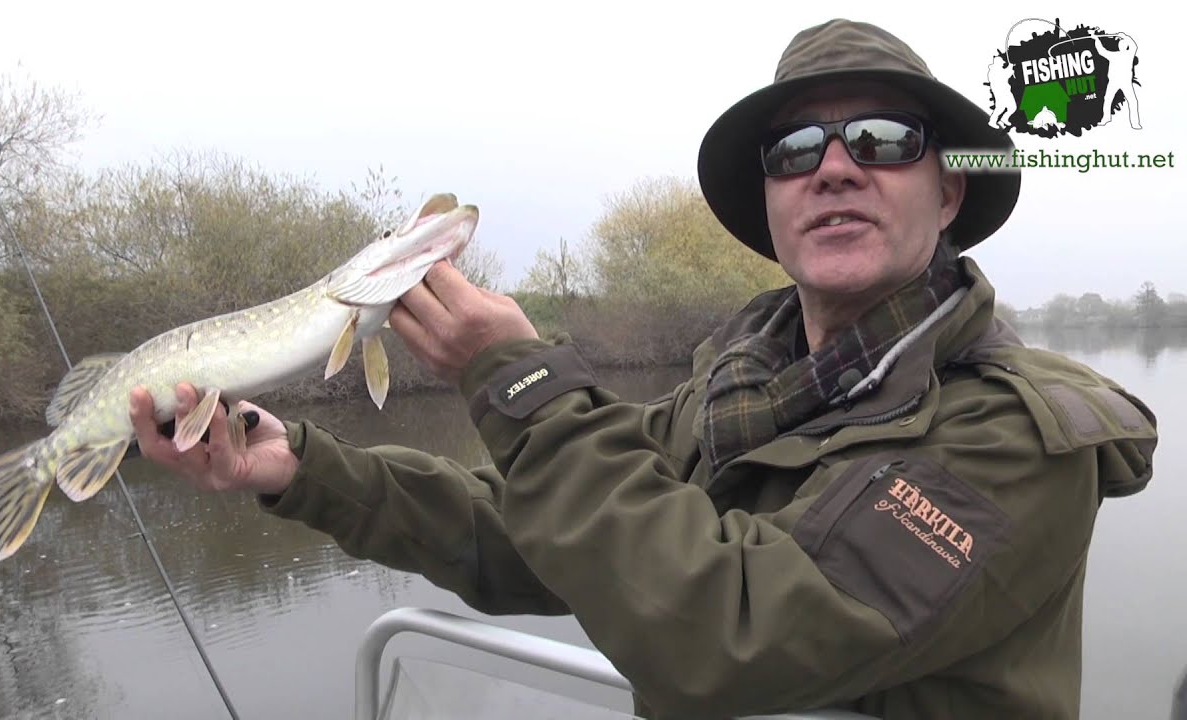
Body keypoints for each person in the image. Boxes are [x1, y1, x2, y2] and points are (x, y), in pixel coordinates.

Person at [129, 19, 1158, 720]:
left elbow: (723, 633)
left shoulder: (1022, 435)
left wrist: (518, 385)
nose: (833, 166)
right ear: (770, 205)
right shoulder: (736, 388)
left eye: (883, 139)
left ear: (947, 193)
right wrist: (297, 469)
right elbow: (534, 536)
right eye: (794, 149)